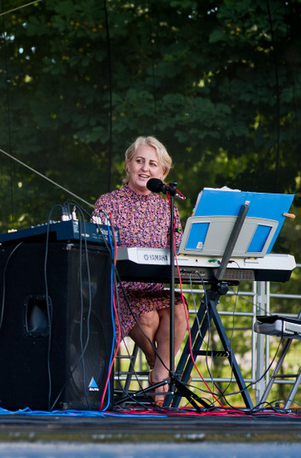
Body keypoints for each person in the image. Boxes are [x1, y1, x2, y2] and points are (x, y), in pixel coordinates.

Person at [92, 135, 189, 405]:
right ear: (128, 165)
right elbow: (97, 250)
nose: (145, 169)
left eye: (152, 164)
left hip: (158, 286)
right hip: (123, 287)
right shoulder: (108, 202)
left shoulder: (168, 206)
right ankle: (159, 366)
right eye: (139, 161)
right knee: (148, 318)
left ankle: (161, 369)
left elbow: (179, 245)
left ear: (163, 172)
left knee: (179, 310)